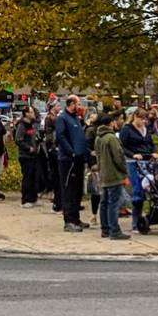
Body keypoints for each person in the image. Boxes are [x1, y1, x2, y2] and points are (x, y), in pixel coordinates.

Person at [120, 108, 156, 233]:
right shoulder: (127, 129)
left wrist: (154, 152)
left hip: (147, 160)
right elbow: (122, 146)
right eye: (141, 118)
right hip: (134, 162)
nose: (143, 121)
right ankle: (136, 222)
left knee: (151, 187)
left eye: (145, 119)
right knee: (137, 191)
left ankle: (147, 219)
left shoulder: (146, 130)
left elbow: (151, 143)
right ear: (135, 117)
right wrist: (132, 154)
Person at [56, 95, 90, 233]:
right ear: (71, 104)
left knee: (77, 190)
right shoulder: (62, 118)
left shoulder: (76, 118)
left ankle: (76, 218)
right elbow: (61, 136)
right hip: (68, 160)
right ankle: (68, 220)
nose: (80, 106)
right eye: (78, 104)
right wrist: (71, 152)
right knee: (69, 190)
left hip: (79, 159)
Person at [94, 114, 130, 240]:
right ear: (111, 123)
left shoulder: (98, 138)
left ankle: (105, 229)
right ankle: (114, 230)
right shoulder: (111, 138)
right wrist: (125, 171)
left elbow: (98, 156)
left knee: (104, 203)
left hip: (103, 174)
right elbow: (118, 157)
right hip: (114, 175)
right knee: (114, 204)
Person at [14, 107, 41, 207]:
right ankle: (25, 200)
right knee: (27, 177)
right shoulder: (22, 125)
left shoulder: (32, 124)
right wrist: (28, 148)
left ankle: (33, 198)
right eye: (31, 112)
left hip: (34, 155)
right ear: (26, 114)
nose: (33, 113)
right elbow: (18, 140)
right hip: (25, 155)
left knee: (34, 177)